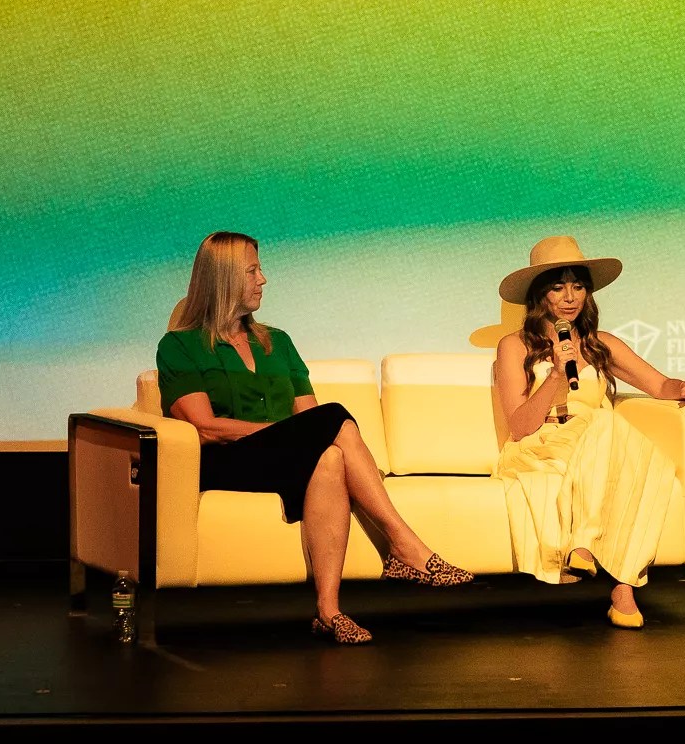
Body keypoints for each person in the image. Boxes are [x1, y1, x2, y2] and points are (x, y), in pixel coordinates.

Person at [156, 231, 469, 645]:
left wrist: (311, 440)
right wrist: (286, 434)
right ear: (224, 278)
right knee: (335, 416)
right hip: (226, 461)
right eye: (253, 270)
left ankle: (328, 610)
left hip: (281, 460)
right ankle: (403, 544)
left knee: (331, 459)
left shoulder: (277, 342)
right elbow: (205, 426)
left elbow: (310, 418)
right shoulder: (180, 346)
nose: (263, 279)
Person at [488, 235, 685, 629]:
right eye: (558, 287)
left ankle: (604, 567)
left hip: (597, 441)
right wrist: (556, 374)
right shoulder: (514, 346)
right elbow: (520, 427)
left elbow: (659, 385)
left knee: (648, 461)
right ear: (540, 296)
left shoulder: (600, 344)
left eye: (578, 286)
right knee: (609, 425)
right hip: (544, 444)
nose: (570, 297)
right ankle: (620, 583)